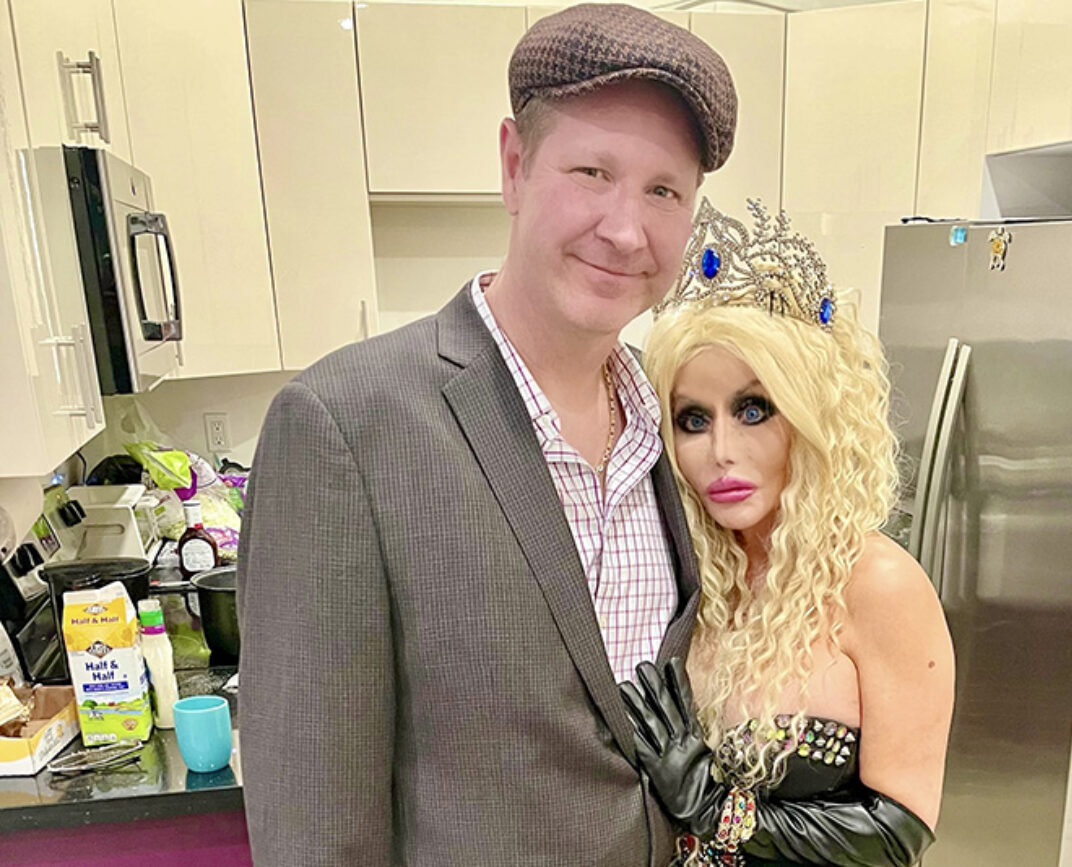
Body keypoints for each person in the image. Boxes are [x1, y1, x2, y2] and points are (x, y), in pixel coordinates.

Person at [235, 6, 737, 865]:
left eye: (664, 191)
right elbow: (314, 826)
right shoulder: (344, 427)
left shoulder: (672, 421)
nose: (626, 230)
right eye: (592, 172)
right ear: (514, 166)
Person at [619, 199, 955, 866]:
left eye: (753, 409)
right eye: (692, 419)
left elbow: (898, 834)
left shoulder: (878, 584)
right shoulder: (694, 576)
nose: (721, 451)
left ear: (809, 417)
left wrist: (714, 806)